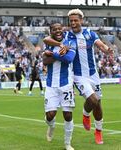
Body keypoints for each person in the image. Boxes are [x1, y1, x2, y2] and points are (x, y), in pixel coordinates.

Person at [43, 9, 114, 144]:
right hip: (78, 76)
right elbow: (46, 39)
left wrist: (106, 49)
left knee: (98, 103)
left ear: (81, 20)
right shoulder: (66, 35)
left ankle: (98, 131)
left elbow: (100, 44)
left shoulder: (89, 34)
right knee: (92, 100)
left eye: (76, 20)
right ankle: (86, 114)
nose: (73, 23)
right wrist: (59, 45)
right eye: (71, 21)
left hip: (93, 74)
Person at [43, 22, 76, 150]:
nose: (57, 31)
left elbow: (69, 59)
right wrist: (61, 54)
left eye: (59, 29)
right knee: (50, 115)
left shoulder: (70, 42)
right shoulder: (48, 44)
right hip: (51, 85)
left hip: (66, 83)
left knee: (67, 115)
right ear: (51, 31)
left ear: (62, 30)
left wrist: (54, 55)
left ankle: (67, 144)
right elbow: (45, 61)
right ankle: (51, 126)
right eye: (54, 29)